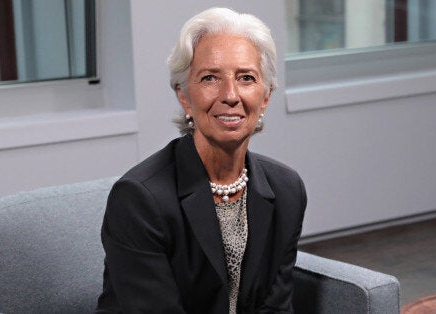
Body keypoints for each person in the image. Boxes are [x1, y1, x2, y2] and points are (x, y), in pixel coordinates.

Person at [95, 7, 307, 314]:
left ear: (265, 97)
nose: (230, 95)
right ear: (184, 97)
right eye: (210, 78)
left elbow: (275, 308)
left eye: (246, 77)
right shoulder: (139, 199)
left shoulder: (287, 190)